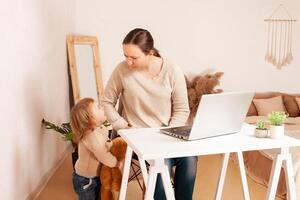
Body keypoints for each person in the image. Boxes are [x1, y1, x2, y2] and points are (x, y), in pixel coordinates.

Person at [103, 28, 197, 200]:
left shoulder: (172, 70)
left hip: (168, 134)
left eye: (134, 57)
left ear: (150, 53)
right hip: (138, 136)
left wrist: (170, 132)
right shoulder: (122, 70)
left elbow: (182, 109)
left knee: (190, 159)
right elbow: (107, 102)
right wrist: (123, 126)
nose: (128, 61)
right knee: (163, 165)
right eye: (125, 55)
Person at [70, 97, 123, 200]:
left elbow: (105, 143)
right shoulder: (92, 136)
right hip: (86, 180)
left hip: (93, 176)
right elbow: (102, 154)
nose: (102, 107)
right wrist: (116, 163)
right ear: (90, 119)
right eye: (98, 108)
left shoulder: (100, 129)